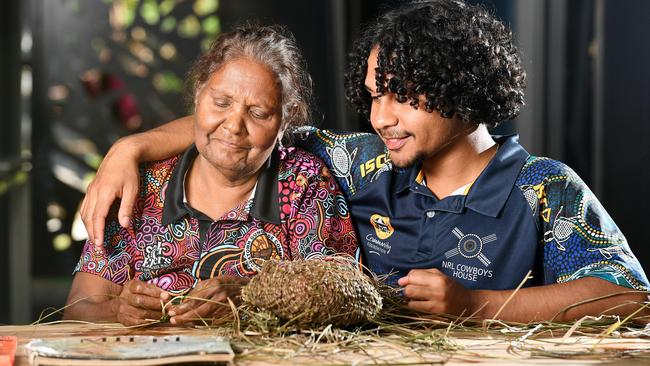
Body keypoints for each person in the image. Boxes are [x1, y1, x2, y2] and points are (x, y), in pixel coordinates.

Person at [81, 0, 649, 323]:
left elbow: (631, 297)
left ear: (463, 89)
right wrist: (129, 148)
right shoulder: (364, 162)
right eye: (375, 94)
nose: (380, 117)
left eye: (401, 95)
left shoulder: (544, 187)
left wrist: (478, 304)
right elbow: (249, 127)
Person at [64, 24, 359, 326]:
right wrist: (118, 311)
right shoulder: (140, 187)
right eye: (221, 103)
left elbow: (348, 293)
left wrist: (253, 296)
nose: (233, 126)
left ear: (286, 120)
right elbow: (78, 311)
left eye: (258, 113)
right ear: (197, 96)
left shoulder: (305, 182)